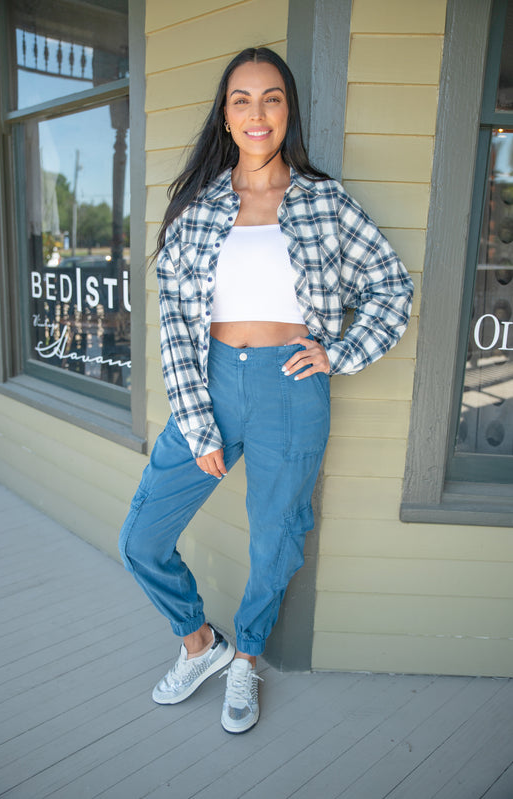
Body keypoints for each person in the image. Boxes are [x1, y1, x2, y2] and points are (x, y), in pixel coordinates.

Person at [119, 46, 413, 734]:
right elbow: (172, 323)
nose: (257, 113)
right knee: (141, 537)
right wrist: (197, 420)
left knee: (275, 537)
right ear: (224, 117)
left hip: (290, 386)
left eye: (271, 98)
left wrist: (337, 352)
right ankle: (200, 644)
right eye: (242, 100)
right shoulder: (195, 209)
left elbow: (391, 286)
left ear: (287, 112)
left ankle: (245, 657)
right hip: (213, 381)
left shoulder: (323, 201)